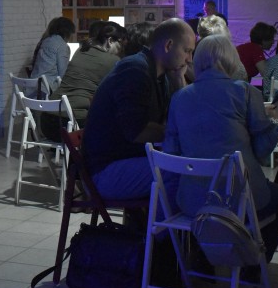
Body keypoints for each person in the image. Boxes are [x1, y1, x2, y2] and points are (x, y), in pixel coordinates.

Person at [163, 34, 278, 270]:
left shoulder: (179, 98)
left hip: (191, 201)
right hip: (237, 201)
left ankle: (205, 260)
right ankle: (253, 264)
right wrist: (274, 129)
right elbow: (261, 150)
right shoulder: (245, 92)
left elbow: (172, 151)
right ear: (231, 60)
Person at [83, 18, 195, 202]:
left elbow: (177, 119)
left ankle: (161, 221)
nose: (189, 59)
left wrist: (178, 81)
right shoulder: (135, 70)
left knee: (185, 165)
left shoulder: (160, 74)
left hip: (123, 162)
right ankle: (164, 224)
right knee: (183, 171)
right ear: (168, 45)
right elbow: (137, 131)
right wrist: (173, 132)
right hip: (105, 171)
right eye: (187, 51)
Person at [39, 21, 121, 141]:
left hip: (47, 122)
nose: (120, 49)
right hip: (73, 126)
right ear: (110, 41)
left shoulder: (81, 51)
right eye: (120, 44)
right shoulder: (113, 60)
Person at [30, 16, 75, 92]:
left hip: (31, 87)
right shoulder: (62, 46)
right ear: (68, 33)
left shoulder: (45, 41)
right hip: (47, 88)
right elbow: (63, 74)